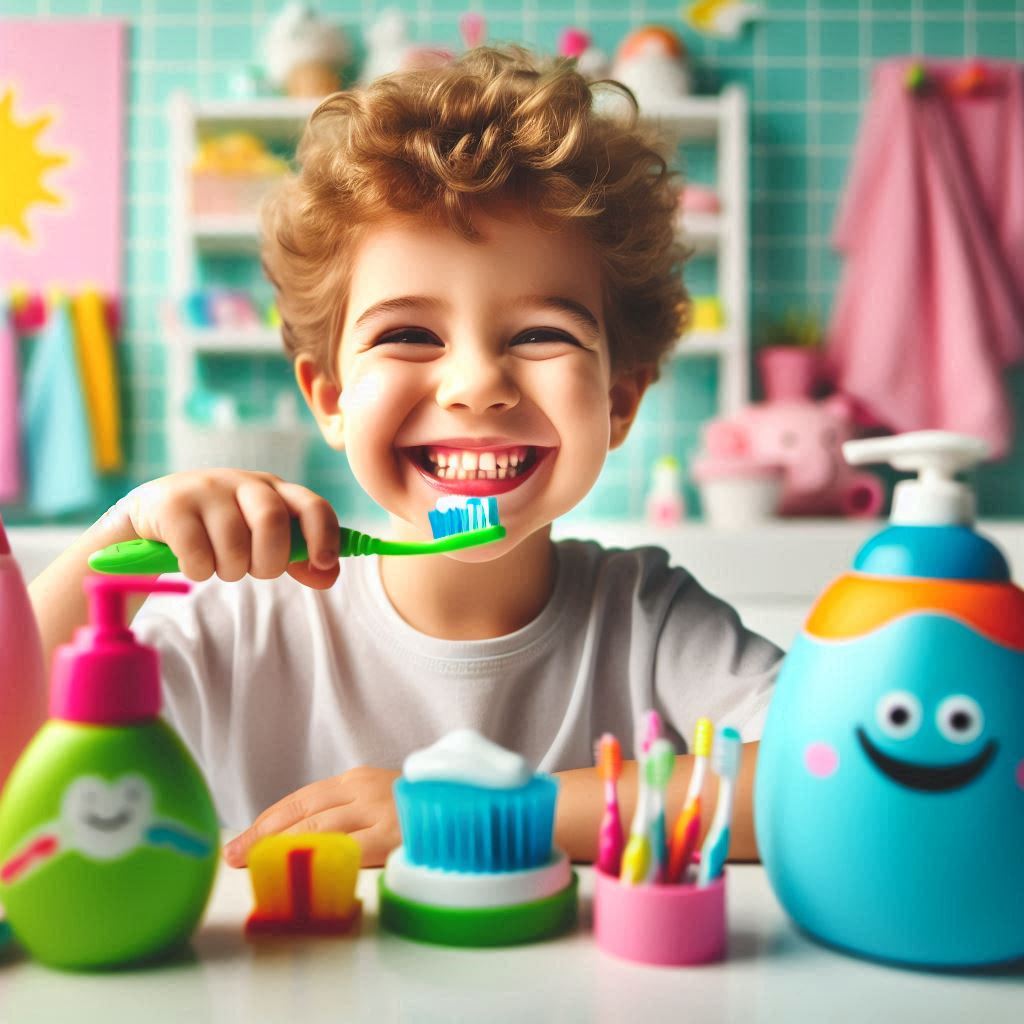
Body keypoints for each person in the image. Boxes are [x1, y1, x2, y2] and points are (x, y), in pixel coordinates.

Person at [28, 47, 781, 869]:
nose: (476, 385)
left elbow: (823, 771)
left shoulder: (648, 620)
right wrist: (116, 539)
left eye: (540, 335)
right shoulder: (240, 623)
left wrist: (496, 812)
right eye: (408, 335)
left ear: (619, 401)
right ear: (330, 399)